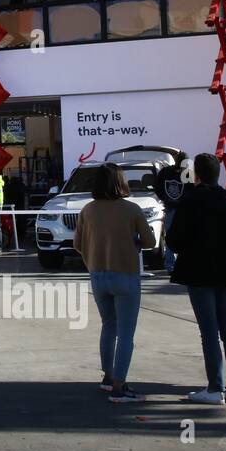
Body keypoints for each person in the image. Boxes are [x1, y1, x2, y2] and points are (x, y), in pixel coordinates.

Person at [167, 153, 226, 404]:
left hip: (198, 271)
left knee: (209, 330)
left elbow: (173, 239)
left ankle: (215, 387)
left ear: (197, 175)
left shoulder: (190, 201)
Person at [73, 162, 158, 403]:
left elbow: (77, 244)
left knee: (108, 326)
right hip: (126, 275)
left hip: (98, 275)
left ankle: (108, 377)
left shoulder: (87, 210)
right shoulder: (131, 209)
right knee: (126, 333)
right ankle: (120, 386)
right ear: (121, 182)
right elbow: (150, 241)